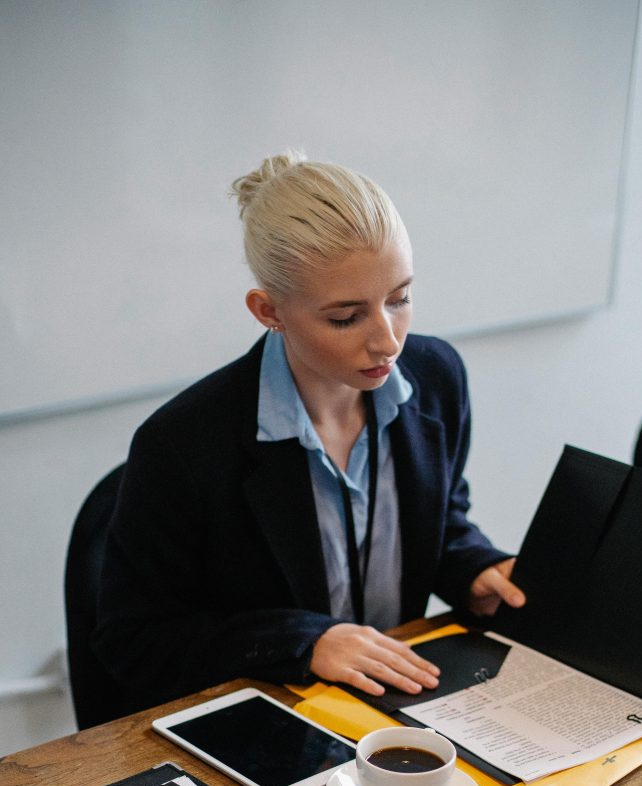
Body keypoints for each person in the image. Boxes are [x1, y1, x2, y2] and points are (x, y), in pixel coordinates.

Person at [93, 152, 525, 717]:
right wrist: (303, 641)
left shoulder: (437, 378)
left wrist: (475, 572)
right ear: (268, 310)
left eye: (399, 298)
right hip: (271, 725)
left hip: (403, 711)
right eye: (346, 317)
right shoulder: (182, 444)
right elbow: (134, 641)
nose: (387, 341)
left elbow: (440, 523)